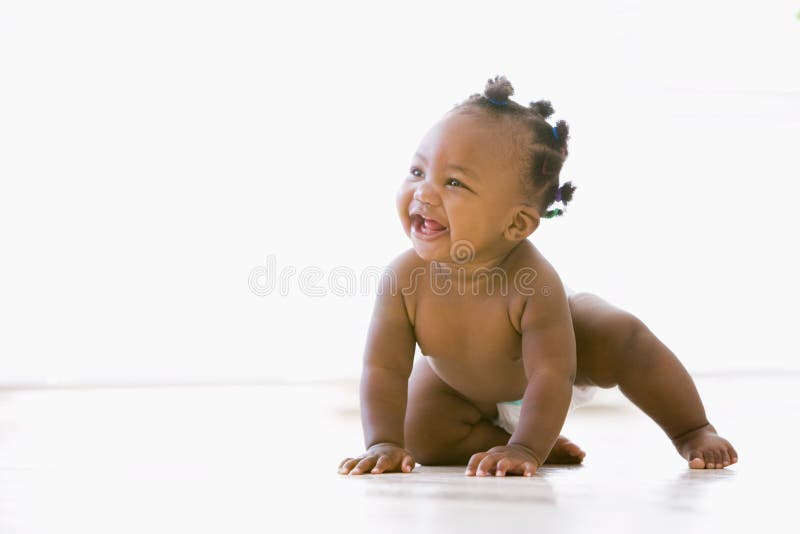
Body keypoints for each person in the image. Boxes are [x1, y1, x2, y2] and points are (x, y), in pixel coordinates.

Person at [338, 75, 738, 477]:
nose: (424, 193)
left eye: (454, 182)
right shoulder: (404, 279)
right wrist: (384, 442)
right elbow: (383, 369)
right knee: (419, 432)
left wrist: (527, 448)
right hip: (462, 386)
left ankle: (692, 429)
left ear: (516, 224)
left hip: (563, 364)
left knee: (621, 336)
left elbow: (551, 374)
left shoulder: (533, 281)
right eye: (417, 171)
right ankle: (500, 443)